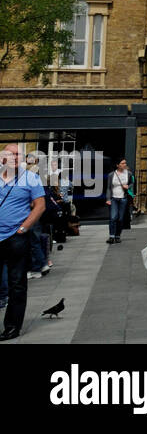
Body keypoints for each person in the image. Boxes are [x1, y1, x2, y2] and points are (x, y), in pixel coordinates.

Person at [0, 144, 46, 341]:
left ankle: (12, 327)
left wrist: (23, 229)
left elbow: (40, 206)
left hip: (16, 237)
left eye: (18, 154)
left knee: (17, 283)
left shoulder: (31, 178)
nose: (15, 157)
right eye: (10, 153)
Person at [104, 157, 133, 245]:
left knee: (120, 219)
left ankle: (118, 236)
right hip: (113, 198)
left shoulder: (128, 173)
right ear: (117, 165)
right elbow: (108, 188)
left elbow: (132, 183)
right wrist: (108, 199)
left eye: (125, 163)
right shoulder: (111, 175)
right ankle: (111, 236)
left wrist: (128, 186)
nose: (125, 164)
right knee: (113, 217)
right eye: (123, 163)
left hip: (123, 198)